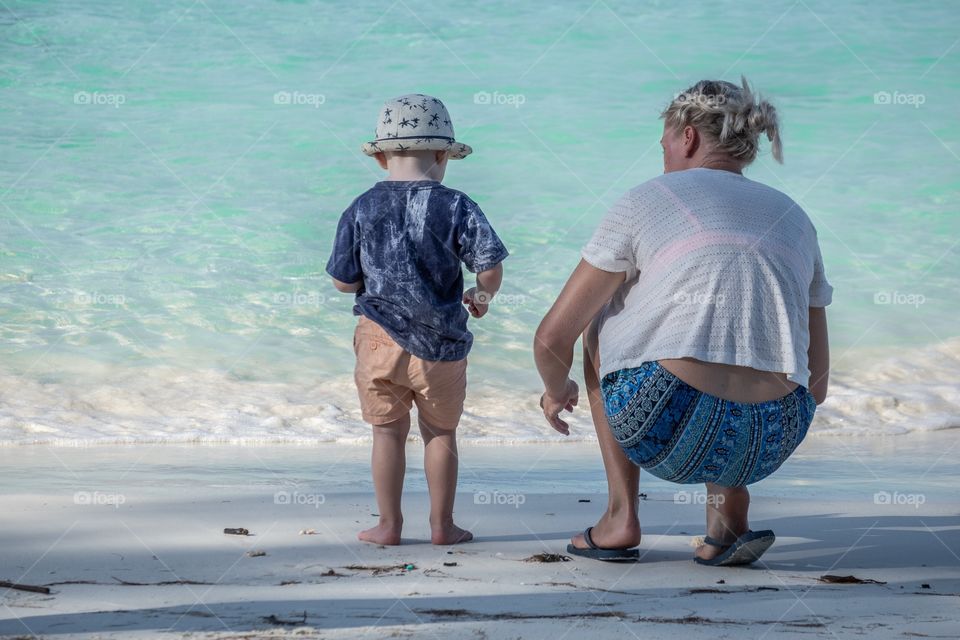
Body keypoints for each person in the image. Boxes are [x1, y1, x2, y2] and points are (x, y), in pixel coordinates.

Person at [534, 77, 832, 566]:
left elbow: (551, 337)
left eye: (665, 144)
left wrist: (555, 388)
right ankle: (729, 518)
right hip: (773, 438)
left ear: (687, 136)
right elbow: (816, 384)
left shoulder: (644, 200)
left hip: (666, 423)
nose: (665, 156)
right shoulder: (796, 217)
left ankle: (619, 516)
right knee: (741, 324)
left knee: (599, 316)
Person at [327, 94, 508, 545]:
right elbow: (489, 268)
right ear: (444, 154)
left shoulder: (361, 208)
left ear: (382, 156)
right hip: (441, 343)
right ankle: (442, 526)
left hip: (377, 339)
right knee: (440, 433)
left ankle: (388, 526)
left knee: (386, 434)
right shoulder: (457, 205)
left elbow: (343, 284)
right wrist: (480, 296)